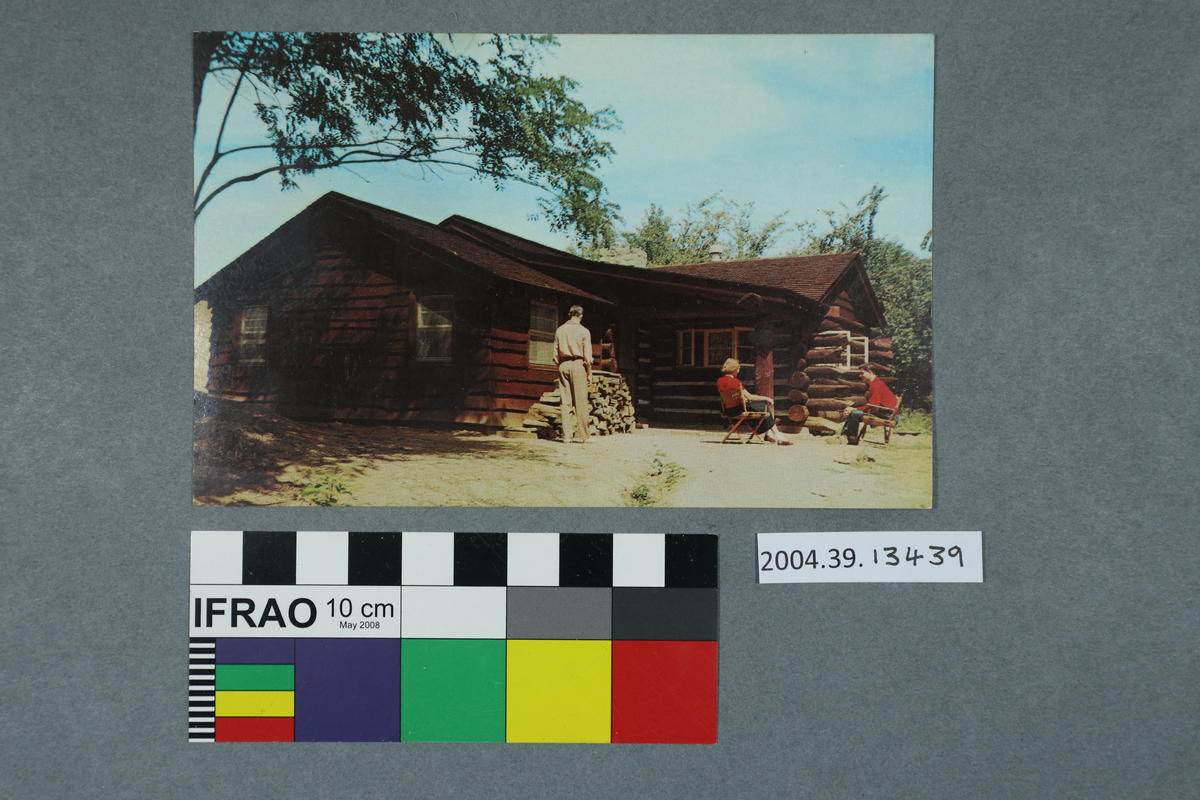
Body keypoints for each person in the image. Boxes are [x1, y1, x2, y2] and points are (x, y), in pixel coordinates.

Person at [716, 358, 792, 445]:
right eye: (738, 369)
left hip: (729, 410)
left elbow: (730, 396)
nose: (738, 371)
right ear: (734, 369)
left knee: (759, 409)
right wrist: (766, 398)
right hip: (739, 410)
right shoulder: (735, 382)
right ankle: (777, 434)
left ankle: (769, 434)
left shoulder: (719, 381)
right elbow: (749, 396)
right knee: (765, 406)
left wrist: (742, 399)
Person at [554, 304, 593, 443]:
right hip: (578, 365)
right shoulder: (584, 331)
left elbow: (555, 354)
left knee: (565, 402)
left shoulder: (560, 330)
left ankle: (567, 436)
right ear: (581, 315)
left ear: (569, 314)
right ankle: (584, 436)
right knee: (581, 401)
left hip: (563, 365)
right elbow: (588, 356)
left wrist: (562, 365)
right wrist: (589, 374)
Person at [842, 364, 899, 445]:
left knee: (854, 413)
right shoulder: (875, 383)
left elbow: (873, 406)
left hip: (888, 415)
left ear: (870, 372)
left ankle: (851, 438)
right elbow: (873, 406)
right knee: (852, 412)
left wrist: (854, 409)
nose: (860, 375)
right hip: (885, 412)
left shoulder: (876, 385)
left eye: (862, 373)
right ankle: (846, 436)